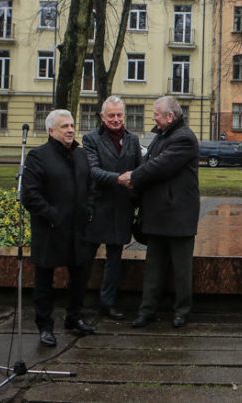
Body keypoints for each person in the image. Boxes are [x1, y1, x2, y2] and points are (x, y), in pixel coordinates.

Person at [119, 96, 200, 329]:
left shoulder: (184, 137)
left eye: (156, 113)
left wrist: (133, 177)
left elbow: (160, 166)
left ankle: (181, 312)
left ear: (170, 116)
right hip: (157, 214)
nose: (153, 117)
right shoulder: (161, 136)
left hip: (178, 215)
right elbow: (148, 162)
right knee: (153, 268)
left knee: (181, 269)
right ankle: (147, 310)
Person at [21, 109, 95, 347]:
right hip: (50, 230)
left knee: (79, 276)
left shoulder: (81, 155)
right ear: (51, 130)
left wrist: (89, 209)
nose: (71, 129)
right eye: (64, 126)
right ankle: (45, 327)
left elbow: (91, 186)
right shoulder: (37, 156)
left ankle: (74, 318)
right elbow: (29, 195)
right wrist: (53, 215)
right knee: (44, 281)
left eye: (72, 125)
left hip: (78, 230)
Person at [82, 96, 142, 320]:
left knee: (115, 260)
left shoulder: (132, 140)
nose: (116, 119)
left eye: (119, 115)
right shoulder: (90, 139)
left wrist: (136, 194)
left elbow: (139, 170)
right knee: (85, 258)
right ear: (102, 117)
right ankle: (76, 302)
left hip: (122, 209)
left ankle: (107, 303)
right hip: (98, 208)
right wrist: (120, 179)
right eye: (111, 115)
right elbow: (92, 171)